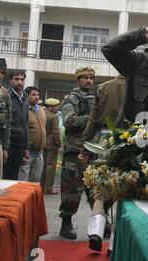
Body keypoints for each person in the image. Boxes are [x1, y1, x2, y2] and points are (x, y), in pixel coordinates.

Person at [80, 75, 125, 253]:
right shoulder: (140, 86)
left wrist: (84, 147)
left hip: (103, 139)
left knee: (102, 184)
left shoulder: (104, 87)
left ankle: (96, 229)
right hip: (129, 138)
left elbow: (92, 119)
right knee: (124, 188)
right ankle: (114, 240)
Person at [59, 67, 96, 239]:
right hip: (74, 151)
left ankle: (99, 224)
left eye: (91, 78)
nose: (89, 81)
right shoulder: (71, 98)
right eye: (85, 78)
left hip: (92, 150)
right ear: (78, 80)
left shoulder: (96, 99)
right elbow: (69, 121)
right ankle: (66, 224)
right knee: (71, 190)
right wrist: (93, 119)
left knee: (95, 190)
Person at [3, 70, 29, 180]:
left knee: (14, 176)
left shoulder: (25, 99)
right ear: (11, 81)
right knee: (4, 174)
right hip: (8, 142)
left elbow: (26, 124)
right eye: (16, 79)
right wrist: (4, 146)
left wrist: (26, 147)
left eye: (22, 80)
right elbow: (4, 122)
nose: (19, 82)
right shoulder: (6, 96)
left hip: (20, 143)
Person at [18, 86, 46, 183]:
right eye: (33, 95)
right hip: (27, 153)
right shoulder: (23, 109)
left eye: (38, 95)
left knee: (35, 182)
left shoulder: (41, 110)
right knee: (23, 182)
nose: (36, 97)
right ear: (27, 96)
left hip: (39, 153)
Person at [40, 98, 62, 195]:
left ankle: (40, 185)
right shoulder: (54, 117)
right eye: (56, 106)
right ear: (51, 107)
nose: (58, 108)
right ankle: (48, 188)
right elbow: (56, 133)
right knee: (50, 166)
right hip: (51, 142)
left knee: (42, 165)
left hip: (42, 141)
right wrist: (59, 145)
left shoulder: (41, 113)